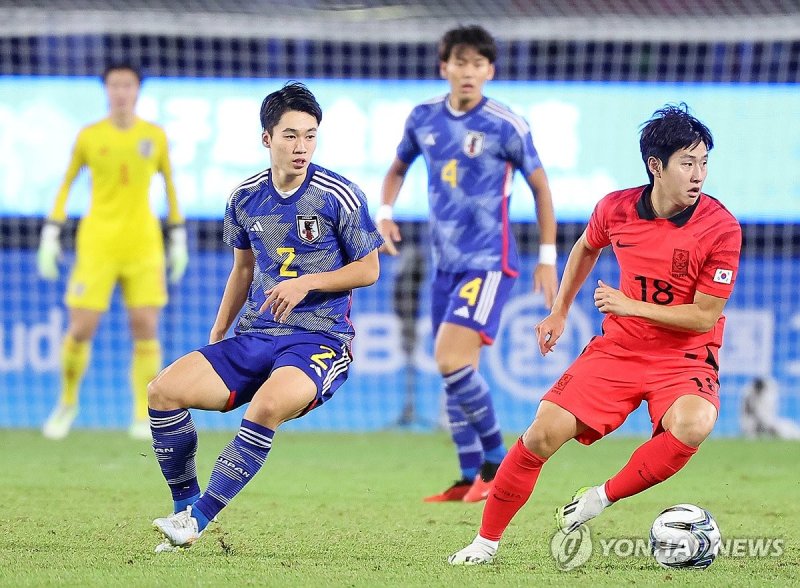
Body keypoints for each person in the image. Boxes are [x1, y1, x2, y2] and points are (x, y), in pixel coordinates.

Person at [448, 103, 742, 565]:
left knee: (694, 424)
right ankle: (484, 544)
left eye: (704, 162)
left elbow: (705, 317)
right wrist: (559, 311)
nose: (699, 174)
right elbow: (587, 246)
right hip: (620, 350)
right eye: (688, 163)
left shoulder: (721, 227)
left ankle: (600, 497)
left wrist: (629, 305)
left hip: (684, 357)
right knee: (541, 433)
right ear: (655, 166)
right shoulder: (616, 208)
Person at [147, 82, 382, 550]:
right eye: (291, 135)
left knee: (266, 408)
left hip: (320, 340)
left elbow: (370, 269)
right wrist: (218, 331)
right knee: (162, 391)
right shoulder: (244, 199)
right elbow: (243, 269)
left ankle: (198, 520)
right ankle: (184, 506)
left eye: (311, 136)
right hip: (257, 335)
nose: (302, 147)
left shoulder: (339, 195)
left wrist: (306, 283)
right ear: (267, 137)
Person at [377, 25, 558, 503]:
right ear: (445, 67)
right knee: (455, 368)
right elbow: (397, 169)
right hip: (446, 265)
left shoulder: (506, 124)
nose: (468, 72)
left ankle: (499, 464)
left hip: (489, 262)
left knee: (450, 359)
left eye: (479, 64)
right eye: (460, 62)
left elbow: (541, 187)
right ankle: (466, 478)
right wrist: (386, 213)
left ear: (490, 71)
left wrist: (546, 257)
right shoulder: (423, 119)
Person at [37, 63, 188, 440]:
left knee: (145, 328)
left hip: (143, 246)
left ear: (138, 90)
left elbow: (170, 187)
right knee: (81, 327)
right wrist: (51, 233)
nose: (121, 91)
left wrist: (179, 237)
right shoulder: (90, 136)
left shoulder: (155, 136)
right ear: (106, 90)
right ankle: (67, 403)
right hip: (97, 245)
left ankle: (142, 414)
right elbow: (66, 184)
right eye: (115, 85)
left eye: (128, 85)